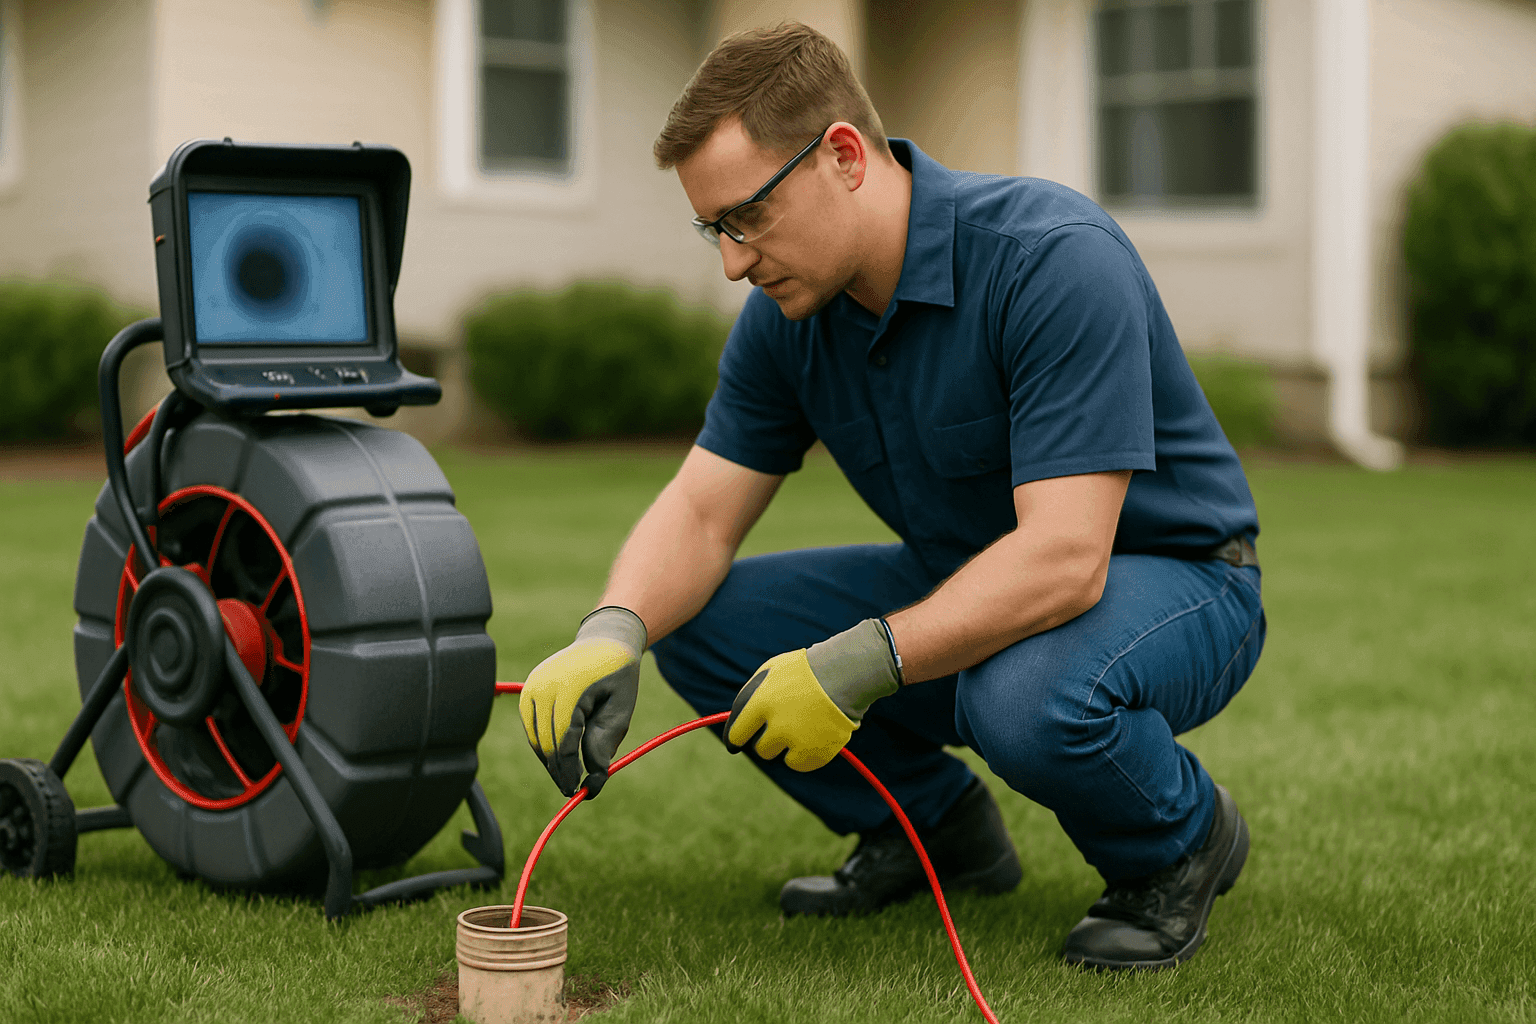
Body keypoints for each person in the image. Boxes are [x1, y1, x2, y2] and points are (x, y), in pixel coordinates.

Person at [517, 21, 1265, 971]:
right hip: (969, 579)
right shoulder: (788, 317)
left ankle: (1179, 843)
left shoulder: (1049, 259)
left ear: (841, 156)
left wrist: (853, 666)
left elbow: (1067, 559)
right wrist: (613, 630)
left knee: (1023, 693)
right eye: (714, 229)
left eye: (745, 219)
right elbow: (703, 510)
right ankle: (934, 836)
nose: (733, 263)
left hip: (1176, 580)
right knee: (698, 622)